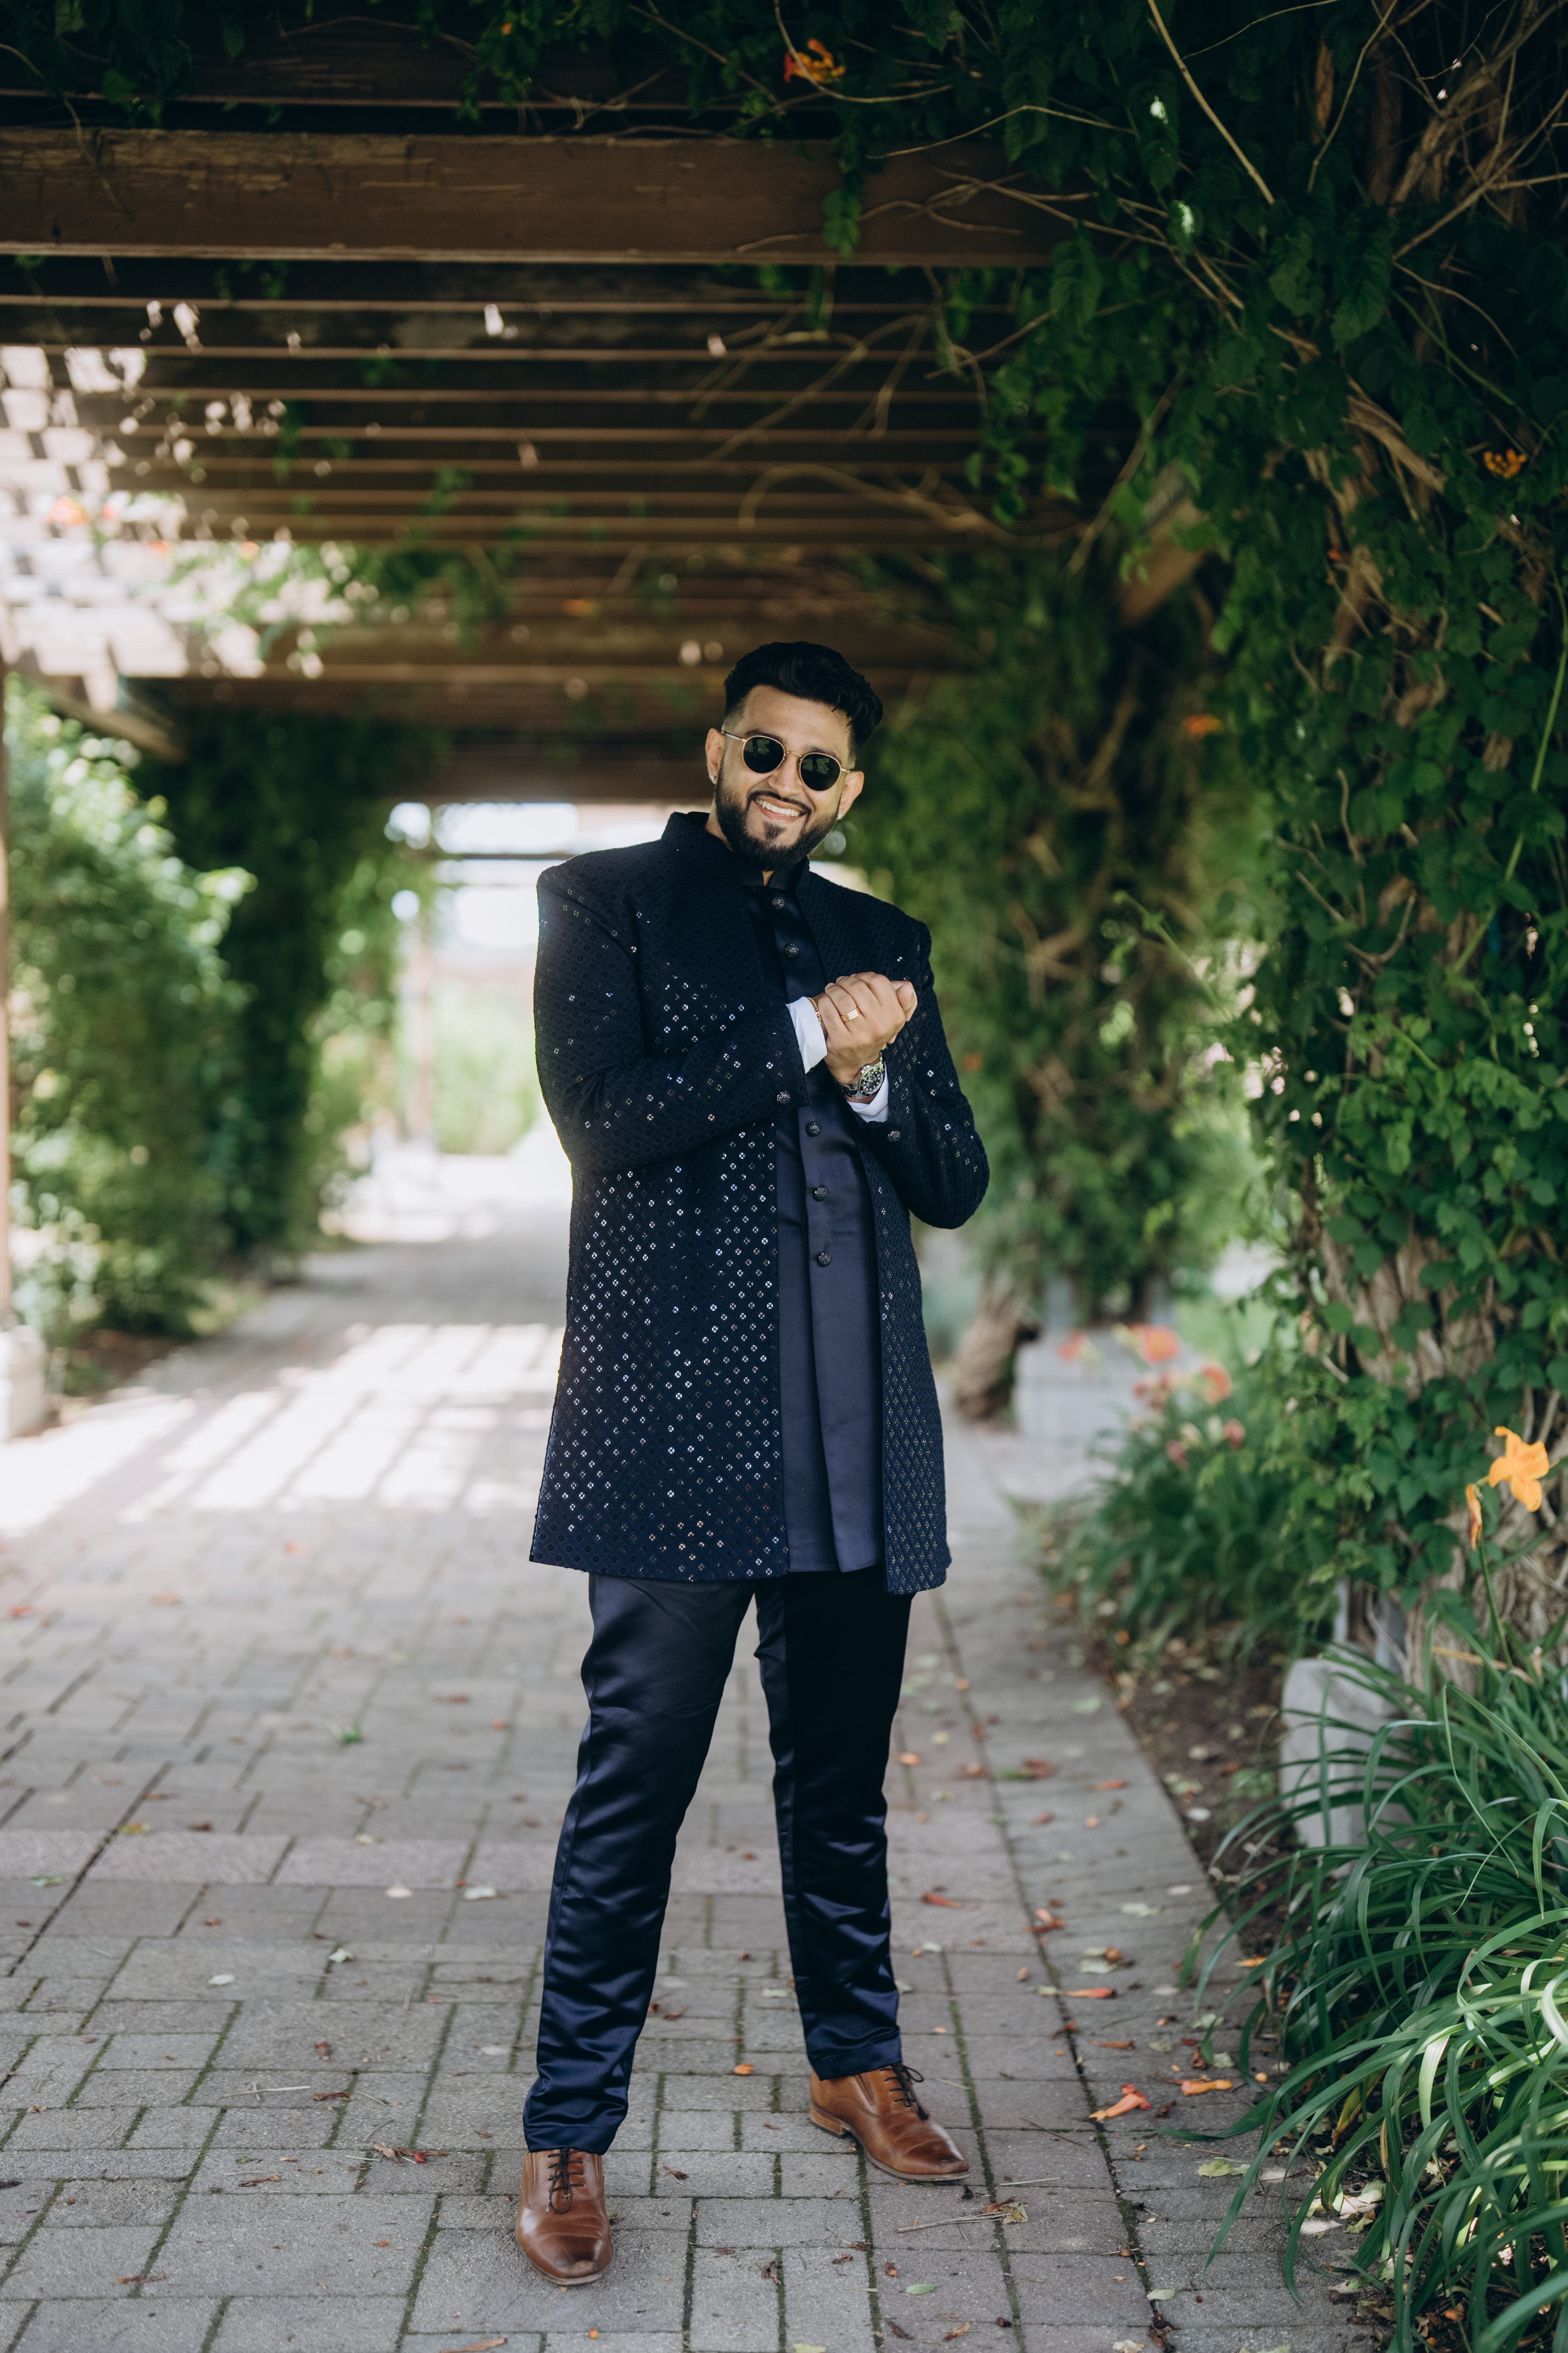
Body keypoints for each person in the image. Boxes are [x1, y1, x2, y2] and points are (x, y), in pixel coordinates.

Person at [517, 640, 988, 2285]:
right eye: (765, 752)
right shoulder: (604, 903)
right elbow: (600, 1118)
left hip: (860, 1435)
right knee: (633, 1786)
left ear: (850, 789)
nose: (787, 784)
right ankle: (568, 2131)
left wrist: (875, 1076)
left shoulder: (888, 945)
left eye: (818, 767)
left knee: (840, 1784)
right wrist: (803, 1037)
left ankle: (858, 2063)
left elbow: (954, 1182)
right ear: (719, 749)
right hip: (675, 1430)